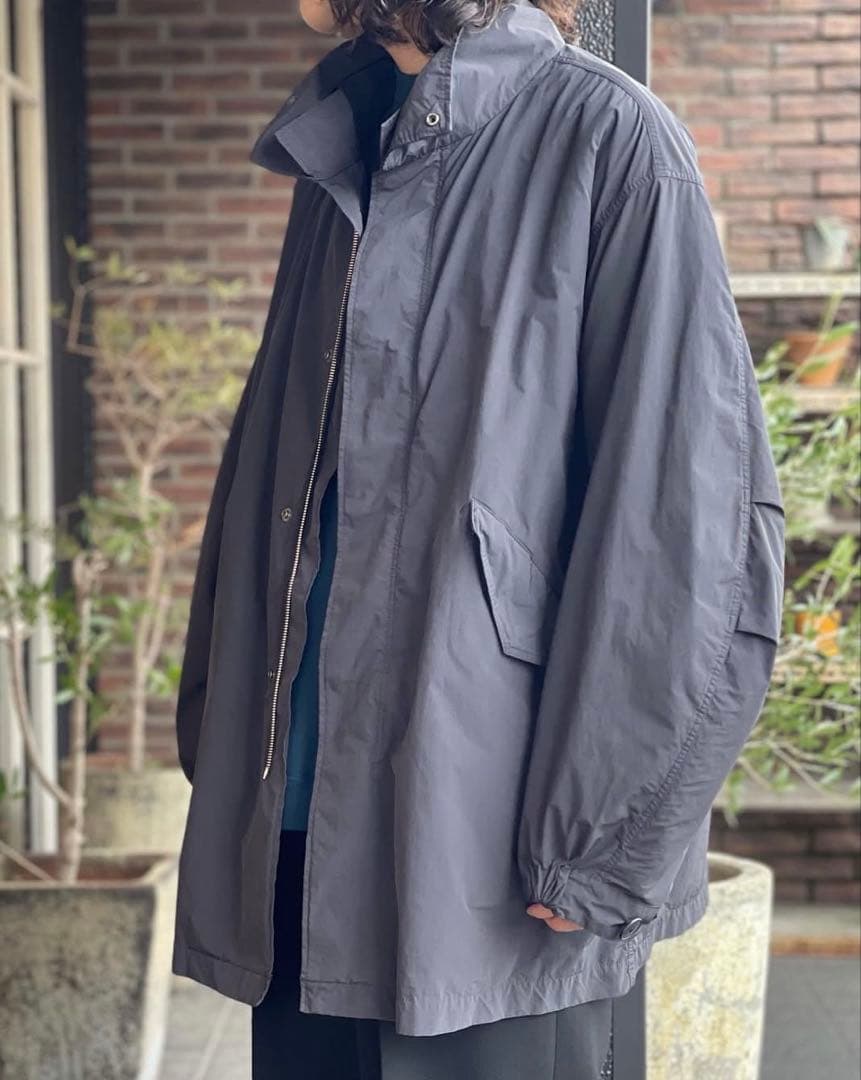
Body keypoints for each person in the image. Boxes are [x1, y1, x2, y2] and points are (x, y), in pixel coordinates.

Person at [170, 0, 786, 1077]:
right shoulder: (342, 138)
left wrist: (605, 835)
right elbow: (271, 467)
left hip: (486, 848)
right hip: (294, 827)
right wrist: (218, 724)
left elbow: (690, 525)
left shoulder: (607, 136)